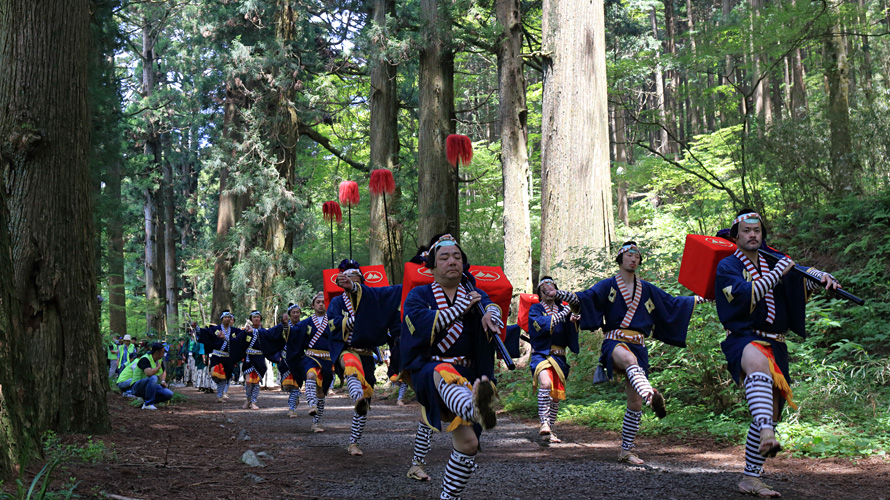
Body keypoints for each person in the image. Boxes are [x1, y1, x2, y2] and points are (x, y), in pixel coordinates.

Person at [715, 210, 842, 498]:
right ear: (736, 235)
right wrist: (778, 272)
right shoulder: (728, 266)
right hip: (744, 338)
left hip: (778, 343)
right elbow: (746, 294)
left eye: (757, 230)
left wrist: (821, 278)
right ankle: (766, 433)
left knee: (771, 411)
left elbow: (798, 281)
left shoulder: (773, 262)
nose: (753, 235)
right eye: (746, 230)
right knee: (757, 367)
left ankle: (751, 477)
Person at [551, 241, 707, 465]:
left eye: (637, 256)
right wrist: (561, 294)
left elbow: (672, 303)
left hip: (639, 344)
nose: (634, 259)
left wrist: (703, 298)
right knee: (629, 359)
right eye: (629, 255)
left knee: (634, 404)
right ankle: (651, 396)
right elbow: (585, 298)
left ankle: (626, 450)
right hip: (615, 342)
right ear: (620, 258)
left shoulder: (648, 289)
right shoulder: (608, 286)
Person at [401, 234, 501, 498]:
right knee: (444, 373)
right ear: (431, 266)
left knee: (468, 444)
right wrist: (459, 309)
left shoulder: (476, 295)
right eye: (444, 257)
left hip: (469, 374)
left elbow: (492, 307)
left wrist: (492, 314)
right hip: (430, 370)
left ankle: (449, 498)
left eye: (457, 256)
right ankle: (474, 406)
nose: (452, 261)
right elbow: (419, 324)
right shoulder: (418, 295)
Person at [328, 259, 403, 456]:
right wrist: (351, 321)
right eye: (348, 279)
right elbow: (331, 324)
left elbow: (390, 317)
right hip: (347, 350)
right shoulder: (336, 302)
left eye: (356, 279)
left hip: (367, 353)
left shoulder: (372, 301)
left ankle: (354, 442)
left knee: (367, 397)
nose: (352, 282)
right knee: (351, 367)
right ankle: (356, 396)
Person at [528, 276, 580, 442]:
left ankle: (550, 429)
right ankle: (544, 423)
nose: (548, 291)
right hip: (541, 354)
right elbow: (542, 325)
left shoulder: (564, 308)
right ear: (540, 293)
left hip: (559, 356)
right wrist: (566, 312)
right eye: (544, 288)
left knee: (555, 395)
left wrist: (573, 321)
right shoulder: (535, 309)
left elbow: (571, 331)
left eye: (551, 287)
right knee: (545, 383)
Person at [197, 310, 249, 403]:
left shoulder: (234, 331)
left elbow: (241, 337)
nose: (227, 319)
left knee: (224, 377)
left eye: (229, 317)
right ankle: (219, 391)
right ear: (222, 319)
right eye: (225, 317)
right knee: (215, 374)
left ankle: (219, 396)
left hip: (227, 357)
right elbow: (205, 333)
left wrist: (248, 330)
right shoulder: (215, 329)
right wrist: (196, 328)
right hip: (217, 356)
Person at [121, 342, 174, 410]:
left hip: (149, 386)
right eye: (163, 352)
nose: (164, 354)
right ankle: (149, 404)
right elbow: (148, 373)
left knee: (168, 394)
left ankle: (145, 402)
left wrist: (163, 381)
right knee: (153, 378)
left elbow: (163, 371)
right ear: (157, 352)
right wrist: (157, 368)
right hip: (137, 386)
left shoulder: (159, 360)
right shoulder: (145, 359)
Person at [241, 310, 270, 409]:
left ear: (260, 319)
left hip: (259, 358)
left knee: (256, 381)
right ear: (251, 319)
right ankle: (248, 399)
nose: (256, 319)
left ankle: (254, 401)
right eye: (254, 317)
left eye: (258, 317)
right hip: (249, 357)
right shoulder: (246, 331)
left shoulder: (264, 332)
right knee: (248, 380)